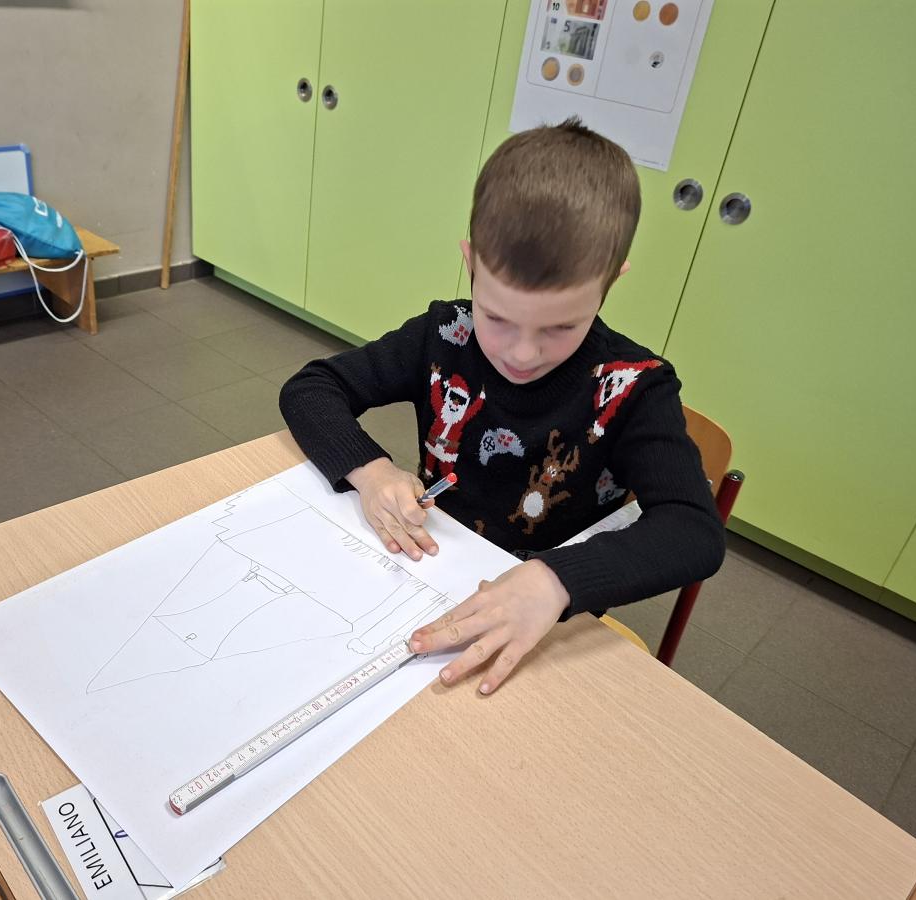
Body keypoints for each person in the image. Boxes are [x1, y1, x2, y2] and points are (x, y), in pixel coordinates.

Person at [279, 118, 725, 695]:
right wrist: (371, 470)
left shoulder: (635, 388)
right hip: (431, 573)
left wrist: (554, 581)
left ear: (611, 282)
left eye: (561, 327)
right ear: (471, 262)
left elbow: (693, 531)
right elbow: (311, 388)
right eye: (497, 317)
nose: (521, 353)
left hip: (548, 618)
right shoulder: (445, 334)